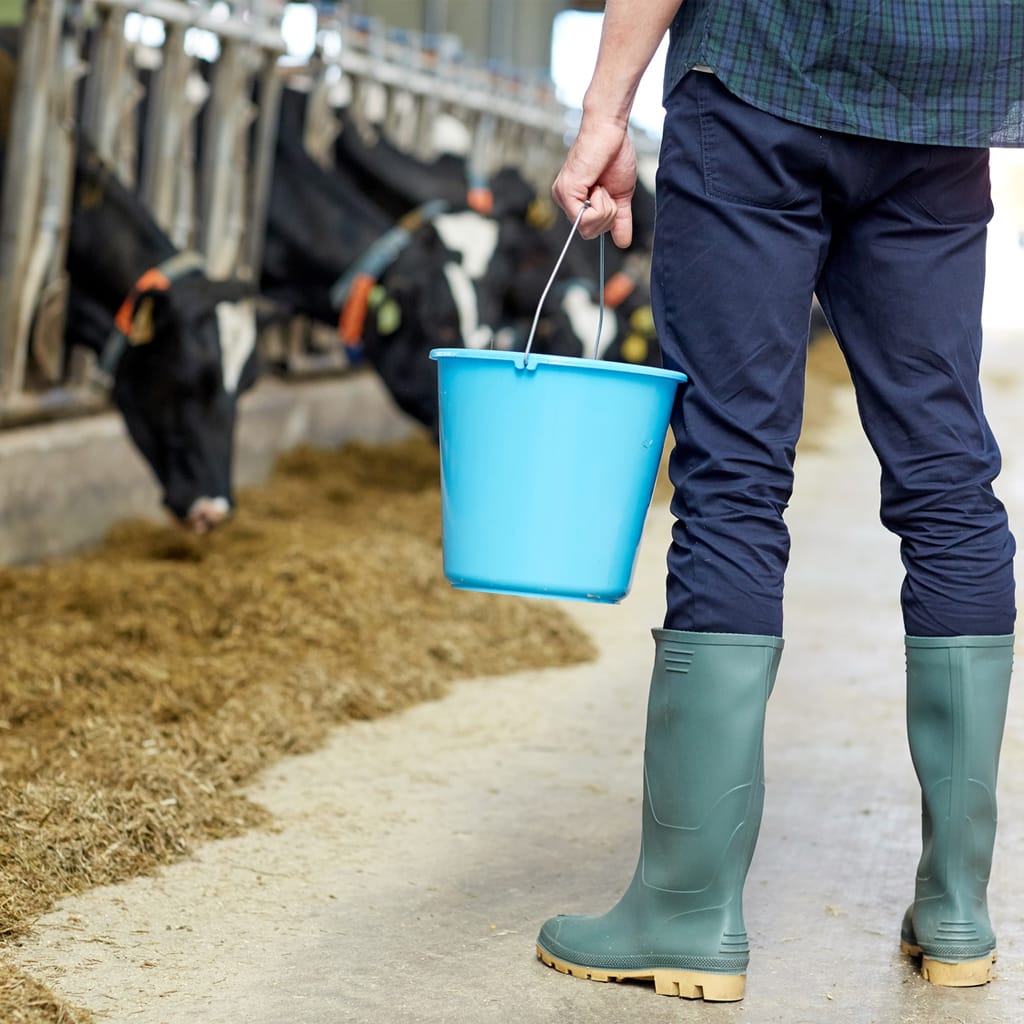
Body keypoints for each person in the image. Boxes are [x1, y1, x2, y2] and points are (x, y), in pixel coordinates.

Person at [537, 0, 1023, 1003]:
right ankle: (956, 911)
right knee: (948, 481)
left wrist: (603, 111)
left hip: (760, 78)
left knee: (731, 476)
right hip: (938, 104)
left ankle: (685, 911)